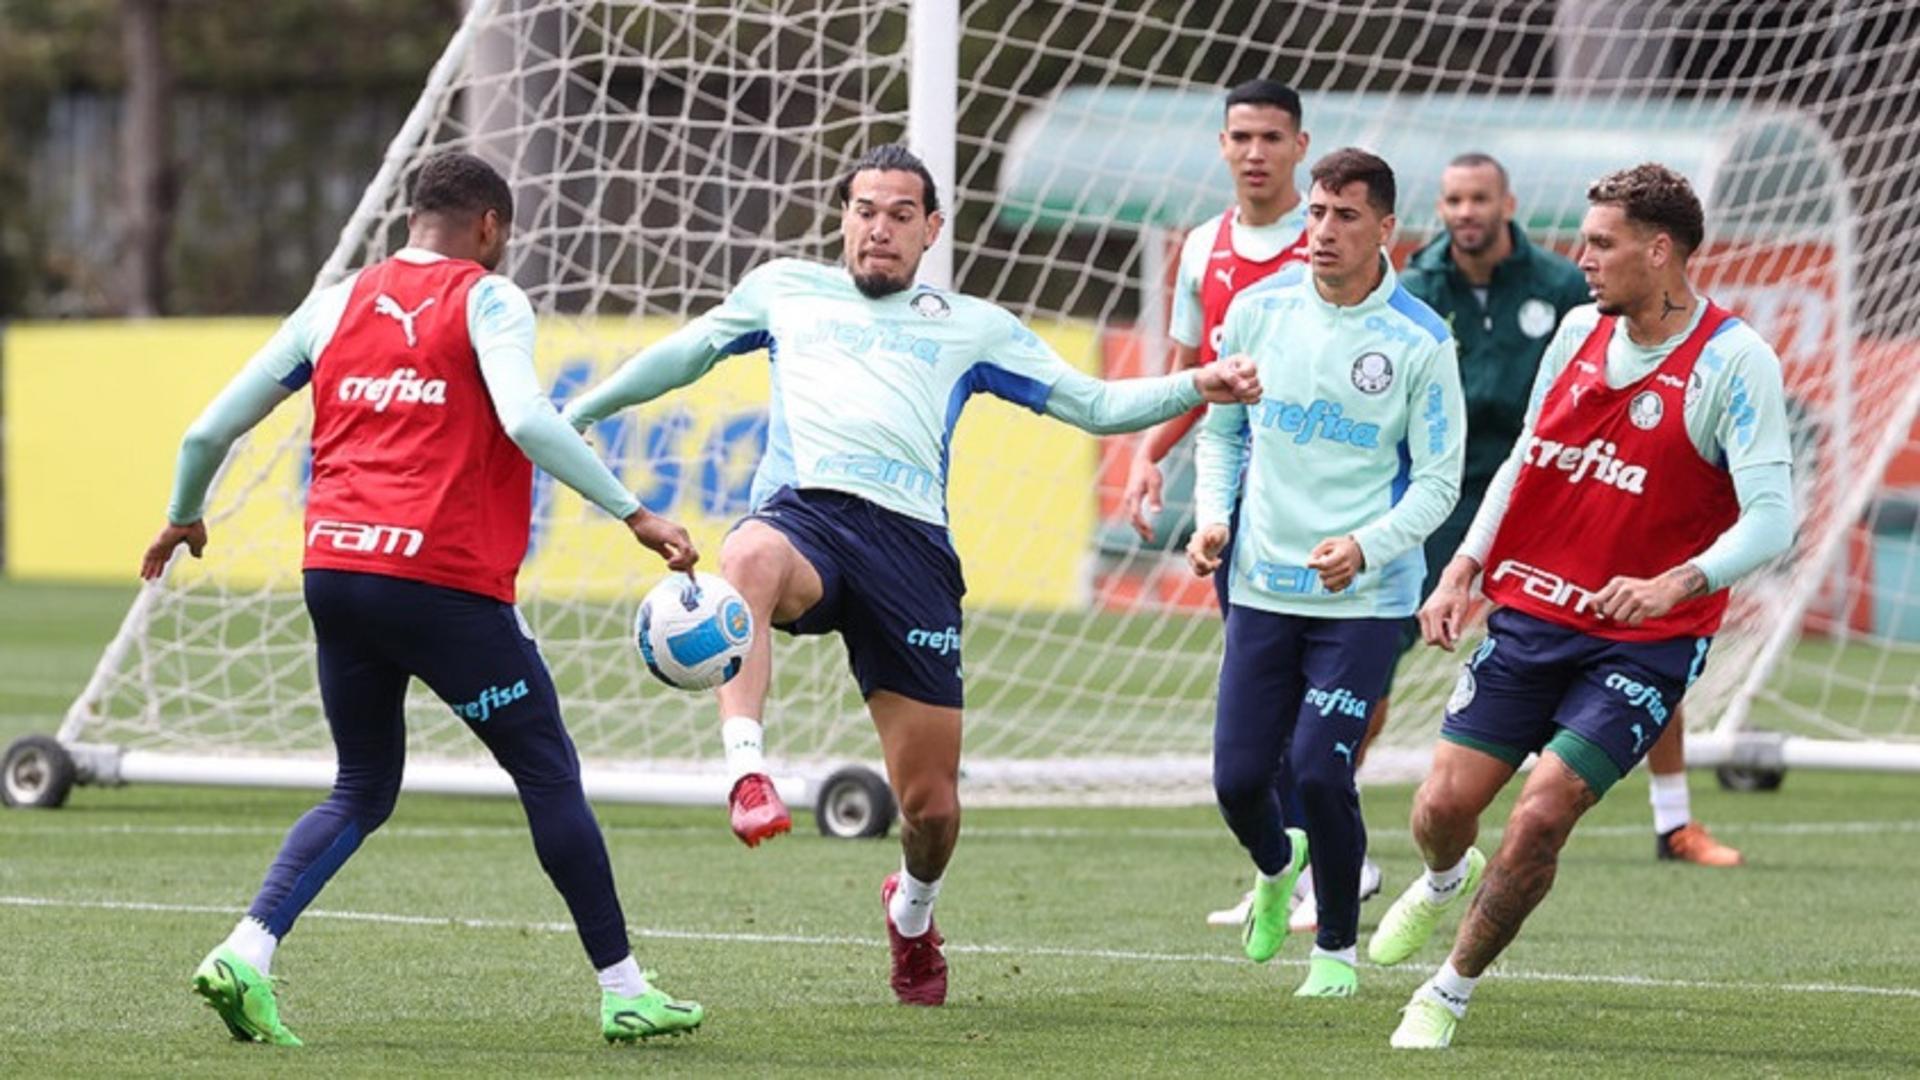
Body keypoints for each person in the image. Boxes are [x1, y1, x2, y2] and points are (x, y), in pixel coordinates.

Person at [561, 143, 1261, 1006]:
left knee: (931, 811)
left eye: (901, 215)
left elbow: (1093, 404)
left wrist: (1203, 381)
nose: (879, 229)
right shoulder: (785, 290)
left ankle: (913, 912)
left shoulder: (972, 324)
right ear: (843, 218)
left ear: (931, 229)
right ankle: (747, 770)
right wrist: (585, 409)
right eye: (865, 210)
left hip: (911, 553)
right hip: (803, 519)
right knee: (745, 553)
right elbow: (687, 353)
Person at [143, 152, 707, 1047]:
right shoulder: (488, 296)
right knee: (547, 773)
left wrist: (182, 517)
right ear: (490, 227)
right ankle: (627, 989)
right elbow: (525, 420)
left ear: (414, 218)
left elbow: (206, 428)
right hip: (442, 586)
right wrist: (633, 513)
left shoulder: (335, 302)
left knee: (362, 787)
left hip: (336, 576)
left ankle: (245, 953)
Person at [1374, 163, 1796, 1049]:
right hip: (1533, 613)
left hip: (1647, 640)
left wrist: (1675, 582)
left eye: (1602, 243)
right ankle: (1446, 878)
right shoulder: (1574, 333)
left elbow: (1773, 521)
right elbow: (1530, 458)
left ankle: (1447, 991)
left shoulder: (1733, 360)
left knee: (1541, 811)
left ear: (1660, 251)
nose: (1583, 258)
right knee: (1441, 811)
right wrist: (1465, 569)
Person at [1388, 152, 1744, 868]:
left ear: (1507, 203)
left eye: (1479, 198)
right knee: (1378, 647)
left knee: (1636, 635)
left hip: (1566, 485)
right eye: (1453, 198)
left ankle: (1672, 818)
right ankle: (1342, 835)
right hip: (1445, 488)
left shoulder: (1564, 288)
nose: (1466, 212)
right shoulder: (1418, 290)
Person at [1187, 147, 1463, 999]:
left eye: (1345, 217)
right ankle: (1277, 868)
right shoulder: (1256, 309)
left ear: (1386, 230)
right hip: (1262, 583)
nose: (1323, 232)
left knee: (1317, 766)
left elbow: (1439, 481)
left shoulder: (1419, 339)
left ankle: (1336, 950)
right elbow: (1222, 433)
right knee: (1238, 783)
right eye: (1315, 214)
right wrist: (1212, 518)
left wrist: (1369, 546)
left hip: (1366, 599)